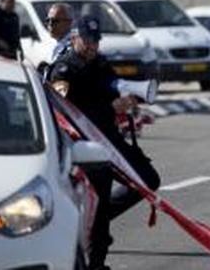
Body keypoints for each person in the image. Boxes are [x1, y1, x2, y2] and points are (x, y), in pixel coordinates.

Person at [49, 15, 160, 270]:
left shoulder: (100, 63)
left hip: (110, 140)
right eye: (87, 40)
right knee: (98, 201)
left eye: (96, 41)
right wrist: (110, 108)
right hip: (85, 147)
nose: (92, 46)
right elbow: (67, 115)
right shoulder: (64, 70)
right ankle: (95, 263)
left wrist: (128, 98)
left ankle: (94, 221)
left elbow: (112, 87)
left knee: (148, 179)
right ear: (75, 38)